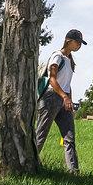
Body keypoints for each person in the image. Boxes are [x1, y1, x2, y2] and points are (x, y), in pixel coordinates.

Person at [34, 29, 84, 174]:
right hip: (51, 98)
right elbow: (52, 79)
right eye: (78, 42)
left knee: (69, 137)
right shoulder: (57, 56)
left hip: (64, 100)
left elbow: (67, 84)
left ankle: (73, 171)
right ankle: (29, 164)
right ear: (69, 41)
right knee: (41, 134)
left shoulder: (70, 61)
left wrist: (70, 101)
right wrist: (64, 97)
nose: (79, 45)